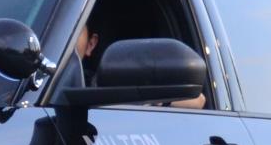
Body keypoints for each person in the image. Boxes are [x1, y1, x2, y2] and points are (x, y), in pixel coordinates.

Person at [74, 21, 205, 109]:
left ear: (91, 44)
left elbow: (198, 99)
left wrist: (156, 98)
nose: (64, 38)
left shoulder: (104, 82)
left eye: (74, 28)